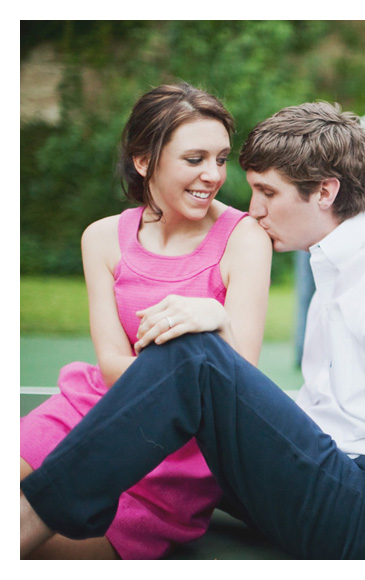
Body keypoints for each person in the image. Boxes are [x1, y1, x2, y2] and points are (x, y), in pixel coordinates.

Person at [21, 102, 365, 560]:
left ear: (325, 191)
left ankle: (23, 525)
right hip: (336, 474)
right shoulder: (340, 255)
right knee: (195, 379)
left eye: (268, 193)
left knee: (194, 354)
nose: (253, 210)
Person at [19, 83, 272, 559]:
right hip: (89, 408)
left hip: (177, 448)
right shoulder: (101, 238)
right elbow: (113, 360)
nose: (213, 175)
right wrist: (170, 384)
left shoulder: (245, 238)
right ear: (143, 160)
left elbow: (242, 374)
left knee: (39, 549)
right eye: (194, 158)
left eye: (220, 158)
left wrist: (174, 397)